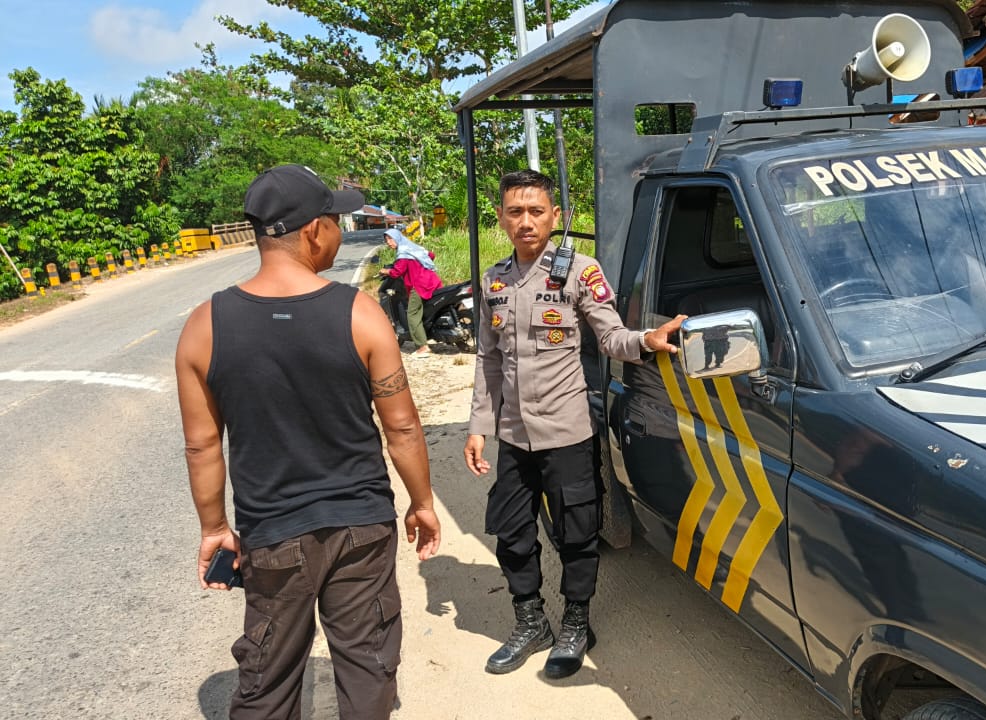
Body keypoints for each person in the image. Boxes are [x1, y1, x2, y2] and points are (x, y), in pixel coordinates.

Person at [175, 164, 442, 719]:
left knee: (266, 681)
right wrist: (421, 502)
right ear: (316, 231)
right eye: (337, 220)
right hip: (361, 528)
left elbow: (202, 448)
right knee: (369, 667)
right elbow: (402, 428)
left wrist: (214, 529)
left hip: (272, 537)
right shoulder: (360, 314)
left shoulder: (205, 325)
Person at [464, 169, 685, 679]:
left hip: (566, 432)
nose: (525, 221)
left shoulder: (580, 272)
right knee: (512, 532)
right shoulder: (494, 280)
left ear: (555, 217)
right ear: (500, 216)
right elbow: (488, 359)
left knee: (577, 533)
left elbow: (611, 338)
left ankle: (576, 624)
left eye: (536, 211)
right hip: (514, 436)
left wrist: (646, 340)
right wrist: (479, 426)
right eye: (515, 211)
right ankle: (531, 621)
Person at [380, 228, 443, 356]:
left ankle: (422, 347)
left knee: (412, 315)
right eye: (386, 240)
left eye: (390, 239)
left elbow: (398, 271)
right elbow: (431, 255)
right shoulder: (413, 248)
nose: (389, 243)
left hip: (419, 285)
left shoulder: (403, 253)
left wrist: (385, 271)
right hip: (432, 280)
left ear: (397, 238)